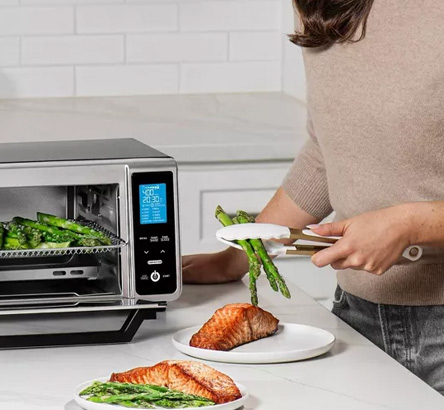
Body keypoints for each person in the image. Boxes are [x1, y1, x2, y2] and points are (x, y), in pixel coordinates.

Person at [182, 0, 444, 395]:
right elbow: (328, 151)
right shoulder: (324, 3)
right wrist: (244, 253)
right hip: (356, 319)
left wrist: (410, 225)